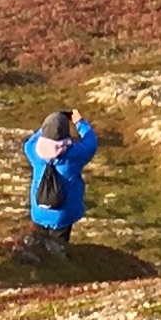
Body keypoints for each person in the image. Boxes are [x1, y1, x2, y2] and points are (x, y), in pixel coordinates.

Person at [22, 108, 98, 263]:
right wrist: (80, 123)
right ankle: (59, 266)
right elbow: (91, 142)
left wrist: (44, 130)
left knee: (38, 248)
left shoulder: (33, 151)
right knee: (58, 251)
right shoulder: (74, 155)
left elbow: (30, 141)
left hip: (39, 211)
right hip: (63, 216)